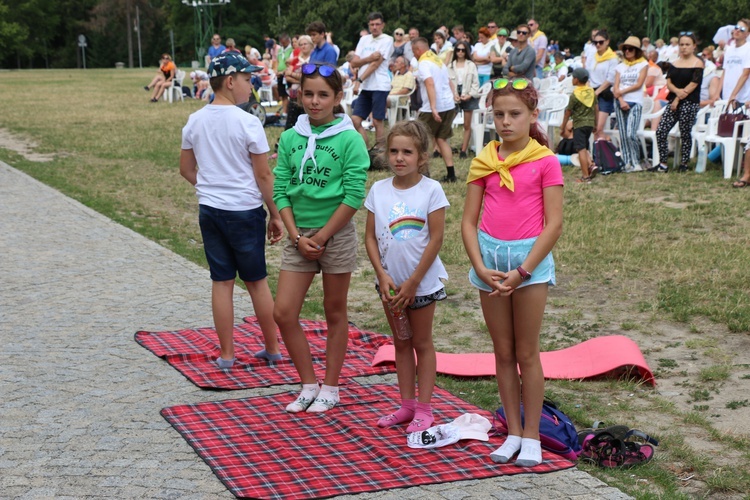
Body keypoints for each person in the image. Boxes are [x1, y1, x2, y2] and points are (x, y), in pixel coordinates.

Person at [461, 77, 563, 467]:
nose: (506, 121)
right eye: (499, 114)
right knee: (502, 352)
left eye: (515, 114)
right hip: (489, 265)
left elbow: (553, 224)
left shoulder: (545, 161)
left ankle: (533, 434)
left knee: (527, 352)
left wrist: (523, 270)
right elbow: (468, 222)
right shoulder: (484, 160)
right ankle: (514, 432)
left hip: (528, 267)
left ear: (533, 116)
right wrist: (479, 267)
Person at [272, 63, 370, 413]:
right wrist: (297, 236)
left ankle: (331, 386)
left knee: (334, 312)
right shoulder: (289, 137)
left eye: (323, 95)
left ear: (338, 98)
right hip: (299, 236)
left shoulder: (349, 139)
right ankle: (308, 384)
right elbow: (280, 189)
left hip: (337, 234)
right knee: (283, 312)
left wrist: (325, 236)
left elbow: (354, 195)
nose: (314, 102)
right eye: (308, 94)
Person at [179, 53, 284, 370]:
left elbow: (186, 169)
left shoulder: (195, 121)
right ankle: (272, 348)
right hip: (244, 211)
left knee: (221, 281)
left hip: (210, 210)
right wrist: (276, 215)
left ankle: (226, 354)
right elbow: (264, 175)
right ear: (230, 81)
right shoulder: (249, 122)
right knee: (256, 281)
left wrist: (210, 185)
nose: (251, 84)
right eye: (247, 79)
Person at [364, 120, 449, 433]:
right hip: (390, 287)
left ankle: (425, 409)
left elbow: (436, 239)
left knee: (422, 343)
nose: (400, 158)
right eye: (394, 151)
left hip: (421, 285)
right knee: (401, 342)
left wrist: (414, 282)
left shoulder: (432, 190)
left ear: (422, 157)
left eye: (407, 152)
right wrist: (382, 275)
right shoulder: (378, 190)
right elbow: (370, 237)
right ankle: (406, 405)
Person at [651, 32, 704, 173]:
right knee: (661, 131)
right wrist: (676, 93)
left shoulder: (698, 63)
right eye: (681, 44)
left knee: (685, 132)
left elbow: (694, 84)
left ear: (694, 46)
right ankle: (663, 163)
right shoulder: (674, 62)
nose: (684, 47)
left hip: (689, 102)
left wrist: (678, 97)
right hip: (674, 101)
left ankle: (684, 163)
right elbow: (669, 82)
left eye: (687, 44)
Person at [411, 37, 458, 182]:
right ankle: (451, 175)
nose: (414, 55)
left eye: (414, 52)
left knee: (420, 139)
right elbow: (449, 80)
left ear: (418, 50)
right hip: (448, 105)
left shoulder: (424, 63)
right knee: (441, 139)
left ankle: (424, 174)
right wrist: (454, 94)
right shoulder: (438, 61)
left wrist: (432, 107)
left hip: (432, 107)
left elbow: (430, 83)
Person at [350, 12, 394, 149]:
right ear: (368, 25)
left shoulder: (387, 40)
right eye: (372, 24)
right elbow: (354, 62)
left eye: (377, 24)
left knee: (377, 119)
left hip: (379, 85)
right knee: (355, 120)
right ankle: (366, 150)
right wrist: (369, 58)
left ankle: (380, 151)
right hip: (366, 86)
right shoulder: (364, 39)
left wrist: (359, 80)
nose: (374, 27)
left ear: (383, 25)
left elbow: (376, 65)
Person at [613, 36, 649, 172]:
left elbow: (639, 84)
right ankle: (627, 161)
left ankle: (636, 161)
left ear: (637, 51)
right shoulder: (620, 66)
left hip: (635, 101)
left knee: (630, 134)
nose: (627, 51)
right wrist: (621, 99)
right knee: (622, 134)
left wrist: (622, 91)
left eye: (630, 49)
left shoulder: (643, 64)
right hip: (620, 101)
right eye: (625, 49)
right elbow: (615, 86)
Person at [561, 68, 598, 182]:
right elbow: (596, 108)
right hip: (589, 124)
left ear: (576, 80)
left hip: (579, 125)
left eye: (573, 78)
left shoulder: (575, 95)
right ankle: (591, 165)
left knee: (581, 149)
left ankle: (585, 177)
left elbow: (568, 112)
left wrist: (563, 126)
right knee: (584, 147)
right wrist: (595, 123)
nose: (572, 79)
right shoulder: (592, 92)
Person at [449, 40, 480, 158]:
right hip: (455, 94)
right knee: (447, 123)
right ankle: (442, 148)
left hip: (468, 93)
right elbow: (447, 83)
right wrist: (453, 94)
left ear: (466, 51)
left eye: (463, 50)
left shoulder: (471, 65)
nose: (460, 52)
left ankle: (463, 150)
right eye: (458, 50)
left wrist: (470, 95)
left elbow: (475, 83)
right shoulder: (450, 65)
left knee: (467, 125)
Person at [588, 30, 618, 140]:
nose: (598, 44)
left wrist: (597, 92)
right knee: (593, 128)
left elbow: (610, 78)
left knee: (599, 128)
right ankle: (596, 153)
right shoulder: (592, 56)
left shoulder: (612, 58)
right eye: (595, 42)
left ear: (607, 42)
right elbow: (588, 74)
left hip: (604, 93)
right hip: (592, 91)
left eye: (601, 42)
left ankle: (607, 151)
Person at [284, 35, 314, 130]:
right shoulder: (296, 60)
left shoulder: (313, 59)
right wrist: (302, 79)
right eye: (301, 44)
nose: (303, 46)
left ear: (311, 45)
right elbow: (287, 76)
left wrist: (293, 74)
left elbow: (310, 78)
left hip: (309, 93)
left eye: (305, 44)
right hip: (294, 94)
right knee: (292, 120)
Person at [720, 20, 750, 106]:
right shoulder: (729, 49)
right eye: (736, 28)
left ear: (747, 34)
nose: (738, 30)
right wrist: (716, 94)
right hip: (726, 96)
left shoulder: (748, 48)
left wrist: (733, 95)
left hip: (741, 98)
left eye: (742, 29)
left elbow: (745, 74)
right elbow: (724, 73)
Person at [276, 33, 293, 115]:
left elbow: (291, 63)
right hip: (280, 74)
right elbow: (277, 61)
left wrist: (283, 71)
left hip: (288, 74)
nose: (282, 44)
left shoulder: (291, 50)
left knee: (289, 93)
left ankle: (287, 111)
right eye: (281, 42)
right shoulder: (280, 50)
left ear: (288, 40)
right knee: (283, 94)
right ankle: (284, 112)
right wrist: (276, 70)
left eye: (284, 42)